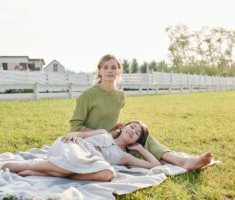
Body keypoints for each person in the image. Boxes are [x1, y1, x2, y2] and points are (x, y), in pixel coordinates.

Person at [69, 54, 213, 171]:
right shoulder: (87, 95)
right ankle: (181, 162)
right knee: (139, 142)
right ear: (99, 70)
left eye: (113, 67)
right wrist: (105, 132)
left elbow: (109, 119)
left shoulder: (120, 96)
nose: (109, 71)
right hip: (93, 140)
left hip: (113, 137)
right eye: (105, 67)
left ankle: (183, 162)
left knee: (143, 135)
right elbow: (75, 128)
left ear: (118, 71)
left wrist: (117, 127)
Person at [2, 121, 161, 182]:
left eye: (137, 133)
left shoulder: (126, 157)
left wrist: (140, 148)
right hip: (72, 146)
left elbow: (155, 165)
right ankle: (30, 166)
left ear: (136, 140)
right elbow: (79, 135)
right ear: (124, 126)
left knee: (108, 173)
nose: (133, 131)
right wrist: (74, 134)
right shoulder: (102, 132)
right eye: (132, 127)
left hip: (88, 161)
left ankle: (47, 171)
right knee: (75, 158)